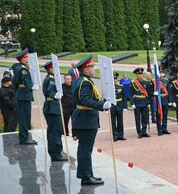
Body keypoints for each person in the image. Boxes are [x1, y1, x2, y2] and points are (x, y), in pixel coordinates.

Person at [71, 56, 110, 185]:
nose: (94, 69)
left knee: (85, 149)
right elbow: (85, 100)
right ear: (86, 70)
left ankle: (88, 174)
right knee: (85, 149)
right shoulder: (85, 82)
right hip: (85, 119)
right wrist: (101, 106)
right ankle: (86, 177)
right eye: (92, 67)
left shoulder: (82, 80)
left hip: (84, 119)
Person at [41, 61, 67, 161]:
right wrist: (54, 95)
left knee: (52, 131)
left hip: (51, 106)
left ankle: (54, 151)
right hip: (53, 107)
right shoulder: (51, 79)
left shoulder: (50, 78)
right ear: (50, 69)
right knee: (55, 131)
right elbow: (50, 90)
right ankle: (56, 153)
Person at [11, 48, 36, 145]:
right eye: (26, 57)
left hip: (22, 95)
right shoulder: (23, 69)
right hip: (24, 95)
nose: (27, 58)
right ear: (21, 59)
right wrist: (32, 86)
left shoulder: (19, 67)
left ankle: (24, 137)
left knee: (24, 117)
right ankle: (24, 138)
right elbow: (26, 81)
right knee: (24, 118)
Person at [130, 68, 152, 138]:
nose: (140, 75)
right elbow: (130, 94)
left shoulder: (146, 82)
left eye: (141, 74)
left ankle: (144, 131)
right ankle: (139, 132)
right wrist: (132, 103)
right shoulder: (133, 83)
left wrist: (149, 102)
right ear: (136, 75)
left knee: (145, 117)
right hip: (137, 102)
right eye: (138, 74)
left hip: (144, 101)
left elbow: (149, 93)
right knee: (137, 118)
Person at [111, 73, 126, 141]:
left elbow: (124, 97)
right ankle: (114, 135)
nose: (114, 80)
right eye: (113, 79)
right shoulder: (109, 87)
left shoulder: (121, 86)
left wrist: (125, 106)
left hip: (119, 105)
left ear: (117, 79)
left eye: (115, 79)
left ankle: (121, 135)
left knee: (120, 121)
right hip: (112, 106)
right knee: (113, 121)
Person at [155, 70, 171, 135]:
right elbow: (151, 91)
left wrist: (170, 101)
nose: (161, 74)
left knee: (165, 115)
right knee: (158, 116)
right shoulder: (155, 82)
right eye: (160, 73)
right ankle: (159, 130)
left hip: (165, 100)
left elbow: (168, 91)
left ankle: (164, 128)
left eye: (162, 73)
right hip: (158, 101)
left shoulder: (166, 81)